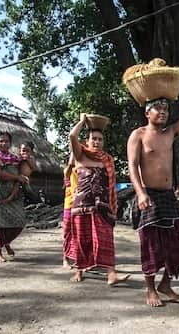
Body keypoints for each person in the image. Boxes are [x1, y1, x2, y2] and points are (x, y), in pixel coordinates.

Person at [127, 74, 179, 307]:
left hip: (168, 196)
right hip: (148, 194)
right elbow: (132, 167)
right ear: (147, 113)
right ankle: (149, 289)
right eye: (157, 107)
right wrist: (140, 193)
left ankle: (166, 284)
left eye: (166, 108)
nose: (163, 111)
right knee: (150, 244)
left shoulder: (169, 133)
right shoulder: (138, 135)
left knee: (178, 241)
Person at [65, 114, 129, 285]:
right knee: (81, 239)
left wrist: (111, 206)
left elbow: (110, 184)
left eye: (100, 139)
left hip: (102, 206)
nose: (97, 142)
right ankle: (79, 271)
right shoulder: (80, 155)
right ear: (87, 140)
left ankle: (111, 274)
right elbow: (72, 136)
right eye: (94, 138)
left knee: (105, 239)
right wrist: (82, 121)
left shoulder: (107, 159)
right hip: (81, 205)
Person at [0, 132, 29, 262]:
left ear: (10, 143)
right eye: (1, 141)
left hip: (14, 193)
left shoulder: (14, 158)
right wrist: (16, 177)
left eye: (7, 141)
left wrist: (27, 159)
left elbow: (26, 168)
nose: (4, 143)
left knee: (19, 221)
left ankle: (6, 242)